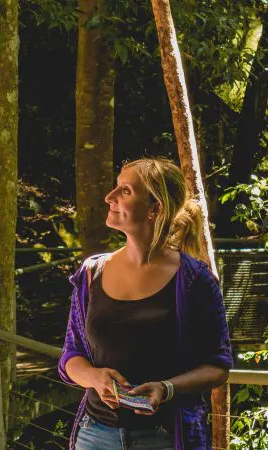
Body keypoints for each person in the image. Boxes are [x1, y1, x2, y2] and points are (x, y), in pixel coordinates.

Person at [58, 158, 233, 450]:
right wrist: (94, 377)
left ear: (155, 209)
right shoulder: (91, 273)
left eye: (125, 191)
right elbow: (71, 356)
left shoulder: (194, 280)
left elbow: (218, 366)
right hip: (95, 435)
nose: (109, 197)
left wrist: (167, 389)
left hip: (165, 437)